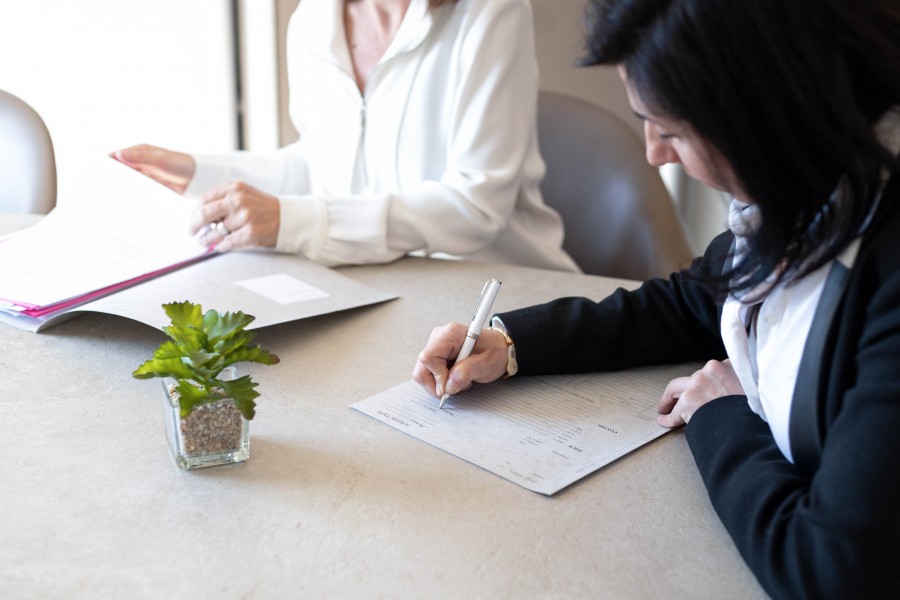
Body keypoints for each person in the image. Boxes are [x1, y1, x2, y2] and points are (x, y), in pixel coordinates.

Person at [412, 0, 900, 597]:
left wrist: (719, 412)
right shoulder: (807, 189)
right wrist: (509, 343)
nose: (653, 153)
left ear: (765, 119)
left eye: (669, 129)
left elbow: (831, 570)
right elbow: (693, 299)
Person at [112, 0, 578, 273]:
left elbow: (473, 208)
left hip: (498, 294)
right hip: (383, 284)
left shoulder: (490, 12)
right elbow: (322, 166)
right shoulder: (313, 20)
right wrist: (205, 176)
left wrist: (295, 222)